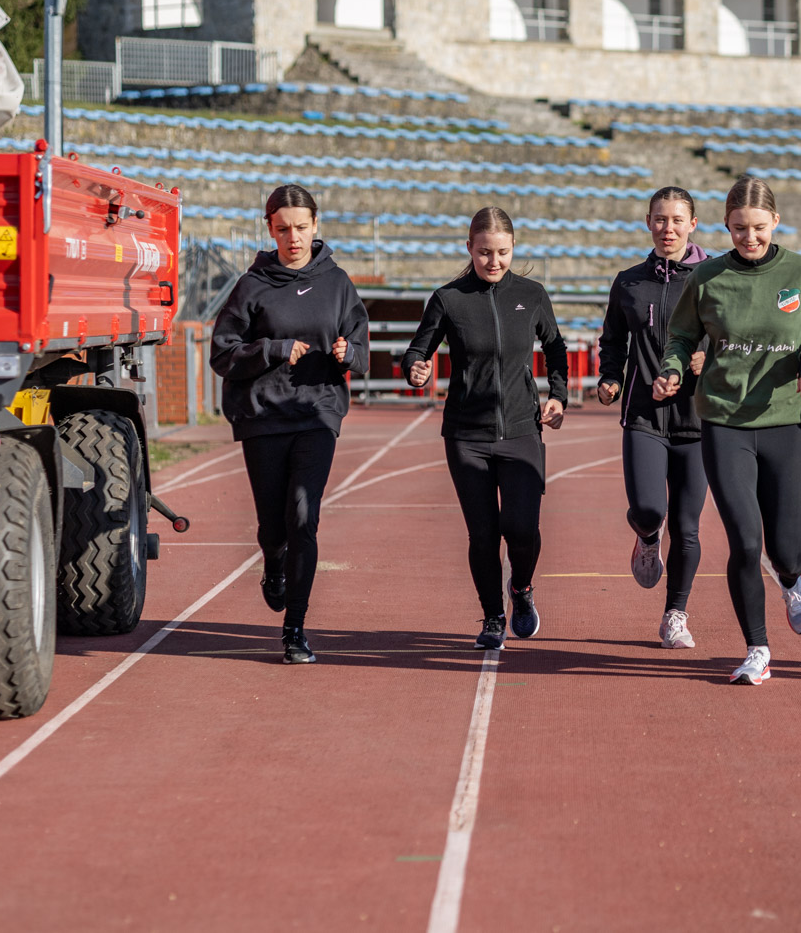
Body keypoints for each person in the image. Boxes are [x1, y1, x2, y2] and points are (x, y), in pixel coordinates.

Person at [652, 175, 801, 685]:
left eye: (758, 227)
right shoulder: (708, 277)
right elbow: (681, 335)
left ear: (775, 221)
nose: (749, 237)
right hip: (724, 422)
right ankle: (757, 648)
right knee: (746, 543)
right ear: (725, 226)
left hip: (784, 422)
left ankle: (792, 579)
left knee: (785, 551)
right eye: (738, 229)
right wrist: (672, 369)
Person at [210, 183, 369, 665]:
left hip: (317, 414)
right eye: (283, 229)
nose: (293, 238)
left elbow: (362, 351)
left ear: (315, 225)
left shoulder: (337, 284)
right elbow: (222, 354)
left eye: (301, 227)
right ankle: (273, 562)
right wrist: (273, 350)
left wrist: (348, 353)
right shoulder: (251, 285)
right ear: (270, 229)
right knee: (273, 526)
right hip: (263, 417)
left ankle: (295, 629)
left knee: (303, 517)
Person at [401, 207, 569, 651]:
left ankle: (522, 589)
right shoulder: (448, 299)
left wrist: (558, 394)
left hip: (521, 430)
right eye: (484, 253)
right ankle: (493, 617)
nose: (494, 261)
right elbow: (418, 350)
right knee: (483, 534)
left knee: (522, 529)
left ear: (513, 248)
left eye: (502, 252)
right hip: (466, 436)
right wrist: (415, 368)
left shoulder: (531, 295)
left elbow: (555, 348)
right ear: (469, 249)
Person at [596, 187, 710, 649]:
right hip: (643, 415)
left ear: (693, 225)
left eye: (677, 220)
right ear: (648, 222)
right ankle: (647, 536)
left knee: (688, 526)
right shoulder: (629, 282)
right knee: (648, 509)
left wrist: (708, 356)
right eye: (660, 219)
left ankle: (675, 615)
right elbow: (612, 340)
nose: (668, 229)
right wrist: (609, 378)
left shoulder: (715, 277)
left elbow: (733, 335)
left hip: (698, 420)